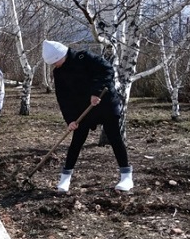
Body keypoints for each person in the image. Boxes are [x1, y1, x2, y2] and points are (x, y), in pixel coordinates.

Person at [41, 40, 133, 192]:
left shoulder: (84, 57)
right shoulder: (59, 71)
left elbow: (107, 70)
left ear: (62, 54)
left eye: (55, 61)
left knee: (114, 137)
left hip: (105, 104)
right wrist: (70, 119)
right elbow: (63, 97)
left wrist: (96, 92)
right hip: (83, 109)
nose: (55, 65)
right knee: (76, 142)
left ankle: (126, 177)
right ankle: (65, 179)